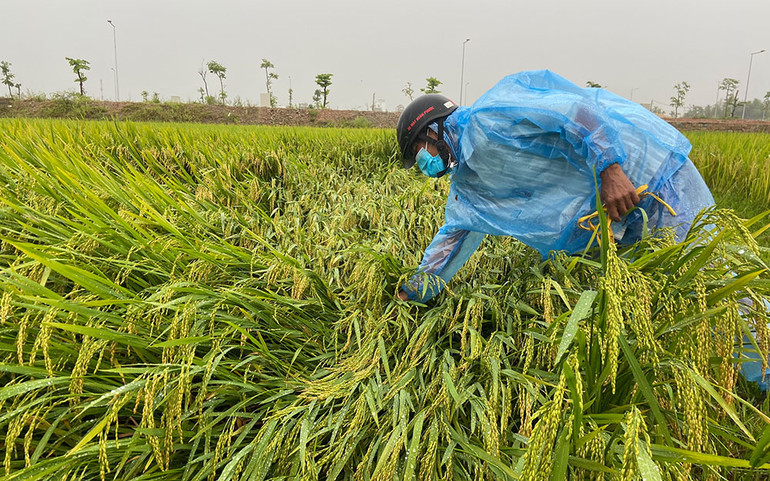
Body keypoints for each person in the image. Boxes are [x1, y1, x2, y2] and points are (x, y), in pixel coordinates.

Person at [395, 70, 715, 303]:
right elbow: (452, 239)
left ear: (433, 130)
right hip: (619, 220)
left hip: (652, 180)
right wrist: (413, 291)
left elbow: (574, 113)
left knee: (710, 279)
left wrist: (610, 169)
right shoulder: (468, 186)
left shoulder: (490, 117)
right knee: (673, 291)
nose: (423, 162)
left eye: (418, 151)